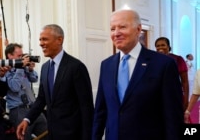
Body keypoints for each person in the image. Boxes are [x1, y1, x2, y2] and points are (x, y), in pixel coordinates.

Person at [92, 9, 183, 140]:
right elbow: (101, 110)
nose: (116, 33)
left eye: (122, 27)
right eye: (112, 29)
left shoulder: (163, 64)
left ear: (138, 29)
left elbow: (172, 115)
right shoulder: (106, 65)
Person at [16, 24, 94, 140]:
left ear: (59, 40)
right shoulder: (45, 68)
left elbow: (86, 108)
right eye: (40, 39)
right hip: (52, 134)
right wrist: (27, 119)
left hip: (73, 135)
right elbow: (41, 99)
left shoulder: (76, 67)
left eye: (45, 39)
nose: (41, 43)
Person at [5, 43, 47, 140]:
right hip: (18, 110)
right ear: (9, 55)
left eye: (22, 55)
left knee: (46, 133)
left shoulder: (23, 67)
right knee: (24, 137)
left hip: (33, 107)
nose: (22, 58)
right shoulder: (5, 69)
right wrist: (20, 68)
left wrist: (31, 69)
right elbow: (14, 87)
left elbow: (34, 79)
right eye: (19, 56)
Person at [155, 37, 189, 110]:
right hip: (157, 97)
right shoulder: (153, 60)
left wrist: (186, 100)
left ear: (168, 47)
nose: (160, 47)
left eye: (163, 45)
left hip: (174, 95)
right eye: (158, 46)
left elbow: (185, 81)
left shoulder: (178, 59)